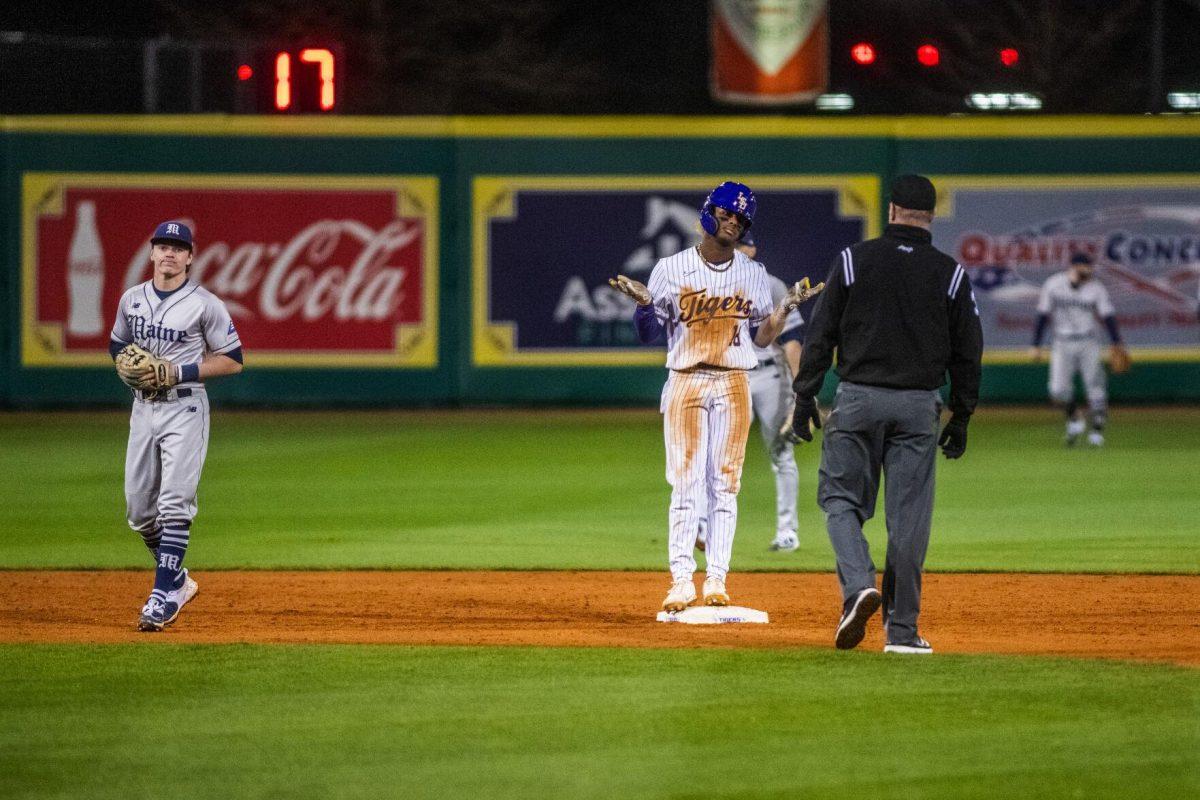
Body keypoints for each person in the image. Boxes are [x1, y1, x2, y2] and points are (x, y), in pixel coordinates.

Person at [787, 174, 982, 654]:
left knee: (839, 500)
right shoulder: (950, 272)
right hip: (919, 407)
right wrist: (962, 415)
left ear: (891, 210)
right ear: (930, 217)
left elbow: (821, 333)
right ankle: (902, 634)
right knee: (909, 522)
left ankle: (858, 586)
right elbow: (968, 350)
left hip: (857, 399)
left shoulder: (854, 260)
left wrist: (805, 397)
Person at [609, 181, 822, 612]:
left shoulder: (753, 274)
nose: (733, 221)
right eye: (727, 213)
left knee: (725, 485)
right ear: (709, 214)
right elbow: (649, 333)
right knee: (686, 485)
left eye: (740, 218)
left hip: (733, 382)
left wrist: (783, 311)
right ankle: (682, 580)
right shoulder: (671, 268)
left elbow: (761, 340)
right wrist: (645, 305)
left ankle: (718, 580)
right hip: (686, 378)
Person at [109, 221, 244, 632]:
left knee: (173, 503)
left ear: (189, 256)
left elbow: (234, 359)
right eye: (162, 246)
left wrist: (179, 370)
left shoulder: (205, 304)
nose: (168, 253)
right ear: (151, 253)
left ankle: (161, 595)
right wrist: (125, 364)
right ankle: (179, 580)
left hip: (185, 409)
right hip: (143, 410)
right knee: (139, 513)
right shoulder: (131, 299)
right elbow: (117, 343)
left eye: (177, 247)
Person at [695, 230, 806, 554]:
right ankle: (705, 525)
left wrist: (799, 390)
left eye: (741, 244)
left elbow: (793, 339)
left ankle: (788, 531)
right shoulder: (709, 283)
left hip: (769, 376)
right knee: (717, 452)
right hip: (729, 375)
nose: (736, 249)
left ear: (752, 248)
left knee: (781, 452)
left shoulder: (769, 284)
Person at [1029, 252, 1127, 447]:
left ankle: (1097, 430)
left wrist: (1117, 342)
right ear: (1074, 267)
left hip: (1088, 341)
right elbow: (1042, 315)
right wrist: (1036, 345)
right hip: (1062, 342)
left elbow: (1108, 316)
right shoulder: (1054, 284)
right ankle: (1074, 417)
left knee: (1095, 388)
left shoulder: (1096, 288)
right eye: (1085, 267)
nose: (1089, 270)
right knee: (1057, 389)